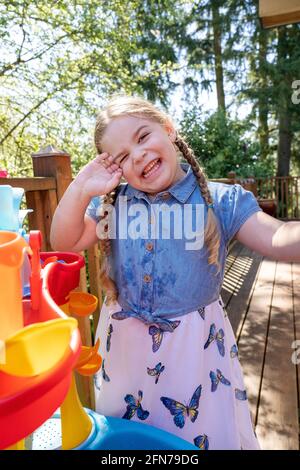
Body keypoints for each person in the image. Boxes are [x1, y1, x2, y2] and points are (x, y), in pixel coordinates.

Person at [50, 95, 300, 450]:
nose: (136, 155)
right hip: (127, 350)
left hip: (192, 351)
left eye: (142, 137)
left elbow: (277, 236)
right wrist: (80, 188)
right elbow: (63, 240)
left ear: (168, 129)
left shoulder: (220, 200)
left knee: (192, 439)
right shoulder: (114, 204)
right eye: (121, 157)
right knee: (130, 438)